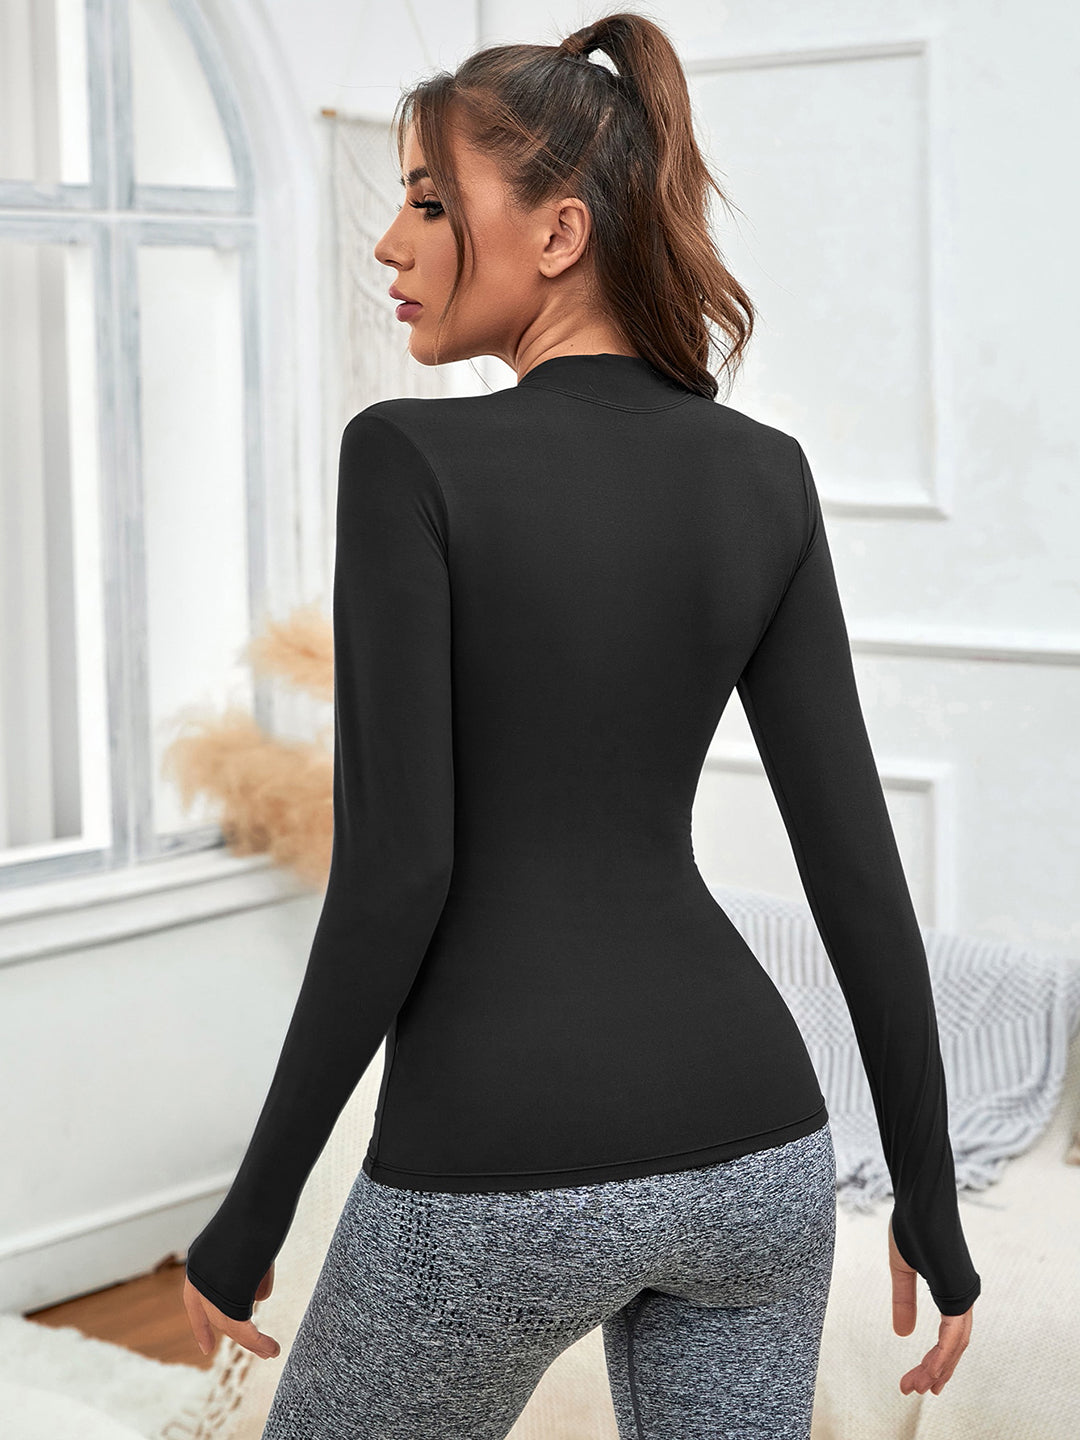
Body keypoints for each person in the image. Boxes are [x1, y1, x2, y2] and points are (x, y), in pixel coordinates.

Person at [183, 13, 980, 1438]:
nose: (390, 246)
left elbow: (398, 874)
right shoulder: (766, 476)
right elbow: (856, 866)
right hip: (758, 1155)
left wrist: (255, 1211)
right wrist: (927, 1189)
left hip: (498, 1159)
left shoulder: (406, 456)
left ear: (558, 234)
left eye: (431, 203)